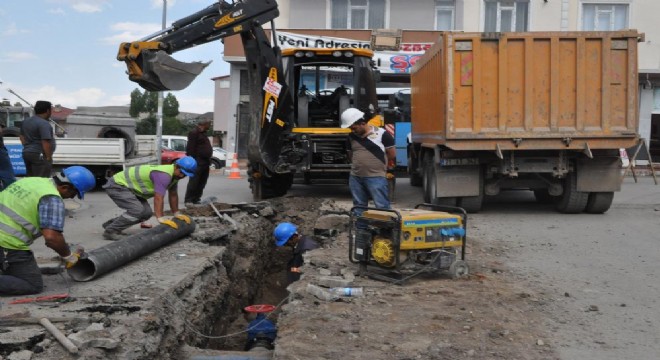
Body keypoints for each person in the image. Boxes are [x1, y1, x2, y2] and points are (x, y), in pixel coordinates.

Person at [0, 166, 96, 295]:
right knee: (31, 283)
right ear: (65, 187)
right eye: (73, 194)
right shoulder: (51, 198)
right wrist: (68, 256)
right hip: (6, 243)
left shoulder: (32, 181)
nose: (71, 198)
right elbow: (52, 238)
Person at [101, 156, 197, 240]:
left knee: (146, 213)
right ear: (176, 166)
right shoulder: (164, 175)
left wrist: (176, 213)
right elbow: (158, 197)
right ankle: (111, 231)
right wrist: (160, 218)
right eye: (181, 172)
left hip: (131, 189)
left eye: (185, 175)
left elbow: (173, 195)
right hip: (118, 185)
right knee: (137, 210)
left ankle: (112, 225)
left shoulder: (174, 177)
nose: (182, 176)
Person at [341, 108, 396, 211]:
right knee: (359, 205)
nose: (352, 131)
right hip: (356, 177)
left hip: (376, 177)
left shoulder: (382, 134)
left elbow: (392, 154)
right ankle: (361, 227)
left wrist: (377, 163)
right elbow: (350, 155)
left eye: (354, 128)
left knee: (382, 206)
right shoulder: (351, 137)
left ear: (362, 123)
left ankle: (384, 227)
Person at [20, 100, 56, 177]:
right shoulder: (44, 123)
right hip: (39, 155)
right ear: (47, 110)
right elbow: (45, 141)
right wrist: (48, 157)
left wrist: (28, 147)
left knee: (31, 178)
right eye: (51, 110)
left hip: (27, 153)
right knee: (41, 180)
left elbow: (21, 137)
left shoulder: (26, 121)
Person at [185, 118, 213, 205]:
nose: (210, 126)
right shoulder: (194, 133)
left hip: (205, 162)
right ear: (204, 124)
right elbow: (190, 148)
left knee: (202, 181)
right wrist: (193, 161)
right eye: (209, 124)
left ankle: (196, 198)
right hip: (198, 161)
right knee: (194, 181)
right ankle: (189, 199)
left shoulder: (203, 133)